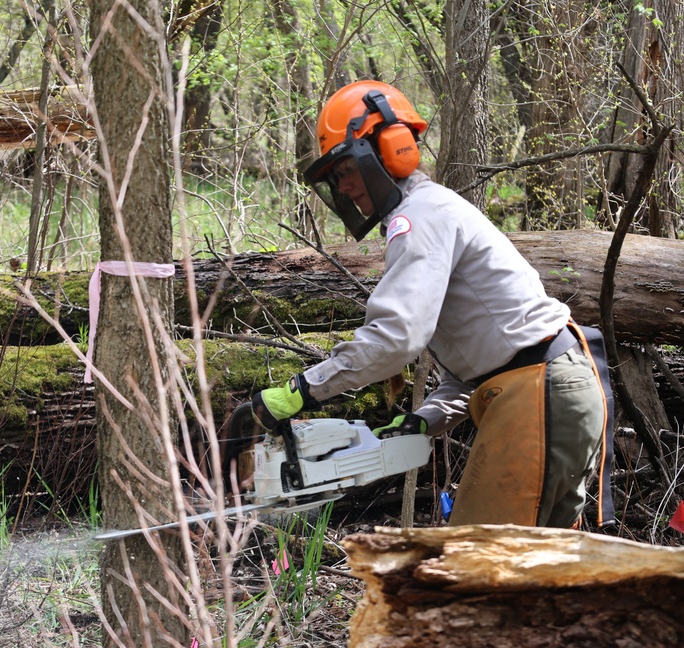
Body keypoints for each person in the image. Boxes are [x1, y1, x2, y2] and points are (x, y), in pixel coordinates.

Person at [251, 80, 614, 528]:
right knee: (533, 572)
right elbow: (476, 373)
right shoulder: (432, 212)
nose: (345, 189)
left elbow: (396, 338)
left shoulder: (420, 216)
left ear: (388, 149)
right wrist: (423, 421)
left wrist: (303, 389)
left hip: (538, 391)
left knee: (479, 559)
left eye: (346, 170)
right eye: (335, 180)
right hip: (550, 388)